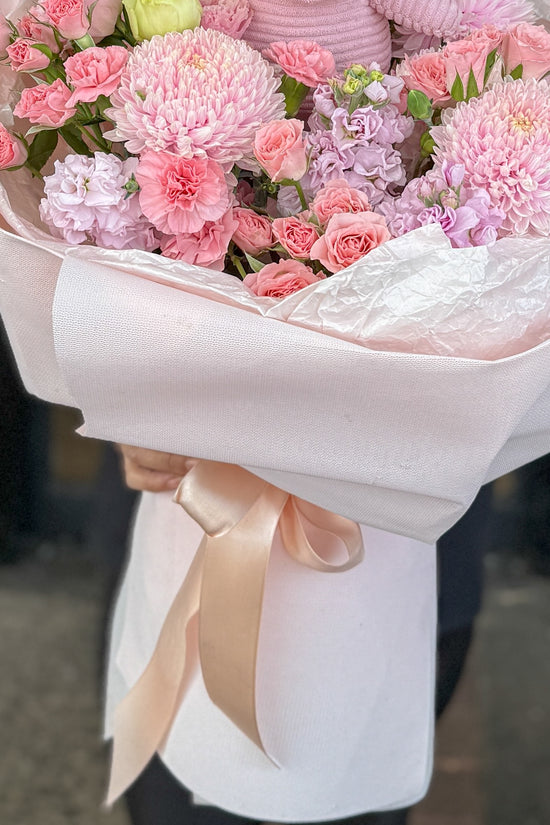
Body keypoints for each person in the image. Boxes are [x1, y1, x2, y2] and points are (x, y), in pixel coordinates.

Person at [115, 444, 490, 825]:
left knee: (358, 761)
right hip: (188, 488)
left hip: (408, 503)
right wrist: (123, 414)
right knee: (177, 762)